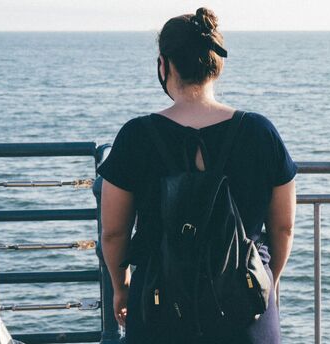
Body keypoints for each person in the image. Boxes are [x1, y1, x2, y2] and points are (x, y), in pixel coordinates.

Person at [97, 7, 297, 343]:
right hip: (244, 304)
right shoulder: (261, 133)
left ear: (165, 65)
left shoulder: (136, 136)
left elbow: (114, 233)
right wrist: (268, 280)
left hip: (159, 304)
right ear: (216, 65)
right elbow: (283, 226)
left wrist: (122, 287)